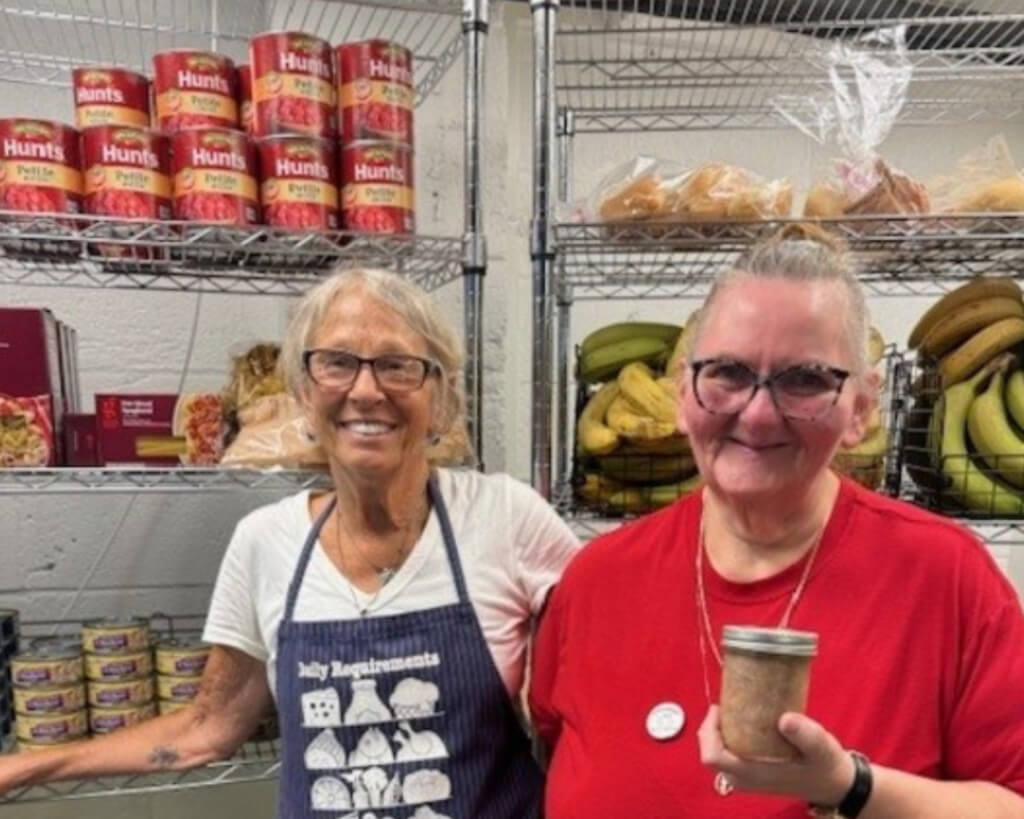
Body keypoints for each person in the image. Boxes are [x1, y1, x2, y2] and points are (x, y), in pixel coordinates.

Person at [0, 267, 580, 818]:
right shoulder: (265, 542)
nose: (366, 389)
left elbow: (619, 655)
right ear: (304, 391)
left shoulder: (505, 518)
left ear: (442, 398)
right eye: (337, 363)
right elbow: (208, 727)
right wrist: (23, 768)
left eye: (399, 366)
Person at [529, 233, 1024, 818]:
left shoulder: (945, 577)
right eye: (728, 373)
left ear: (860, 411)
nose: (758, 414)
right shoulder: (597, 580)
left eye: (807, 380)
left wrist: (851, 785)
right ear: (683, 390)